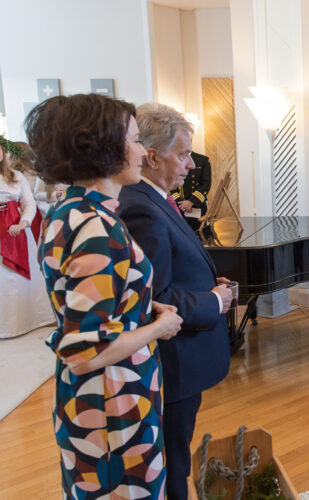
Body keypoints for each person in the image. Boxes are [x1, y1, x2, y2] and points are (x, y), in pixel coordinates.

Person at [26, 93, 183, 497]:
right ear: (105, 149)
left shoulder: (70, 211)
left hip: (104, 395)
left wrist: (144, 309)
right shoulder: (96, 225)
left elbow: (93, 307)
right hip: (113, 400)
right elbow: (86, 352)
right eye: (133, 140)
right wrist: (160, 327)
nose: (140, 151)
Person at [118, 102, 232, 500]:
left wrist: (206, 284)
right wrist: (214, 301)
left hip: (181, 360)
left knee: (177, 451)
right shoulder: (140, 209)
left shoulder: (155, 199)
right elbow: (157, 297)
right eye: (182, 154)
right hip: (173, 363)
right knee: (172, 460)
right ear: (151, 157)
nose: (189, 165)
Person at [0, 136, 55, 338]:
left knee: (25, 278)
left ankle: (32, 319)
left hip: (18, 230)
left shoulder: (16, 177)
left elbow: (29, 202)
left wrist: (24, 222)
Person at [169, 151, 211, 232]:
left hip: (196, 207)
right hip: (178, 207)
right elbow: (170, 181)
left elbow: (206, 184)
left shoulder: (202, 159)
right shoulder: (173, 158)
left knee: (200, 234)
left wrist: (191, 202)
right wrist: (180, 203)